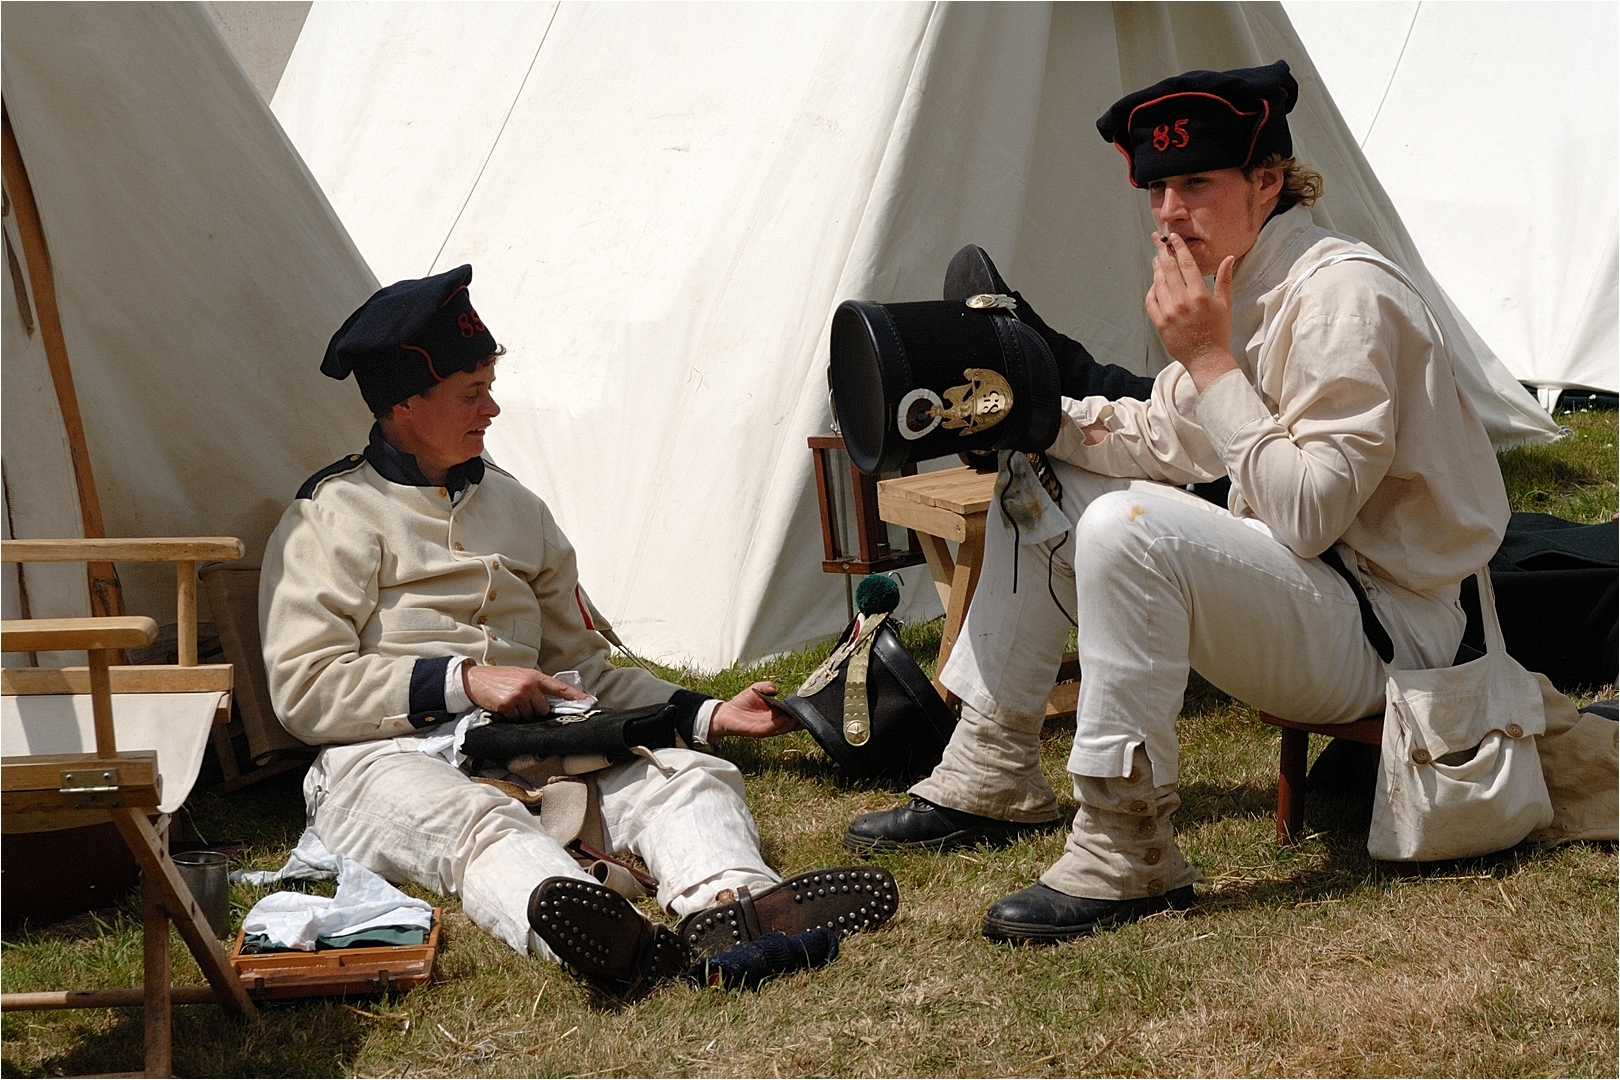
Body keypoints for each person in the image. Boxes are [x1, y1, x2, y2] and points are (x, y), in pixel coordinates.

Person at [845, 60, 1511, 942]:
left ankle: (1127, 847)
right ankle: (992, 766)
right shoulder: (1247, 277)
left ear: (1269, 179)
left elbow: (1308, 516)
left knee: (1130, 528)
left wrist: (1206, 356)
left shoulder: (1343, 297)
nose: (1168, 211)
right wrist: (1034, 418)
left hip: (1403, 634)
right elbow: (1167, 435)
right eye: (1157, 189)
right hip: (1326, 599)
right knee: (1033, 475)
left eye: (1196, 183)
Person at [260, 265, 896, 994]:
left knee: (687, 778)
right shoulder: (329, 516)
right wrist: (463, 682)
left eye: (490, 386)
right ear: (404, 405)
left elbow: (583, 665)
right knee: (477, 824)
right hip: (383, 761)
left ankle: (736, 910)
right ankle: (617, 946)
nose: (493, 408)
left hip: (535, 747)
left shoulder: (518, 508)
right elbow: (303, 689)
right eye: (471, 393)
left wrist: (707, 714)